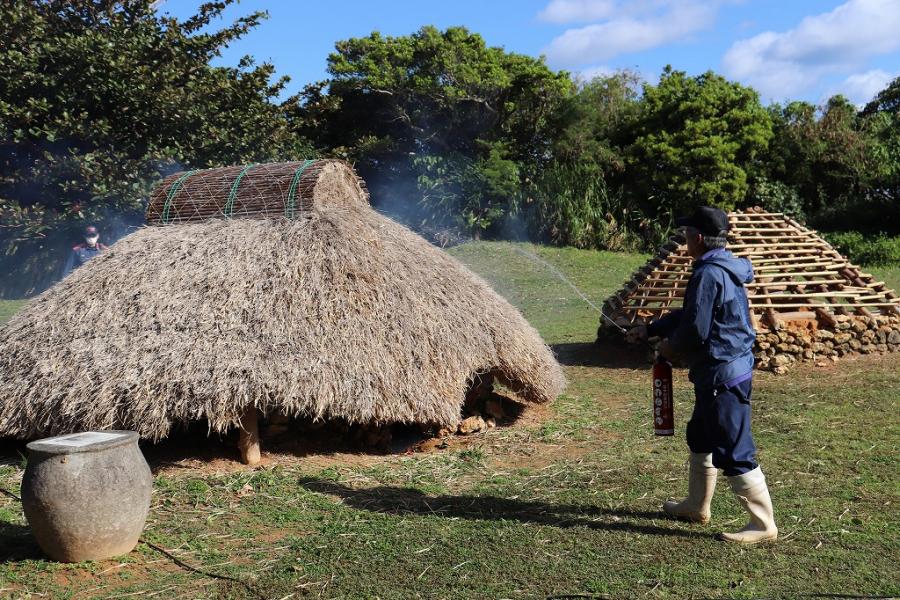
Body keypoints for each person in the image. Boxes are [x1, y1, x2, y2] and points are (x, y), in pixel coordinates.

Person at [626, 206, 777, 544]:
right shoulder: (722, 266)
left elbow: (695, 329)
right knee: (701, 436)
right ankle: (697, 506)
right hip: (717, 371)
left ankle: (763, 524)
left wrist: (667, 347)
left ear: (696, 238)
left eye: (685, 235)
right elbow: (692, 312)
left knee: (735, 448)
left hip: (724, 372)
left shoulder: (709, 273)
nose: (683, 241)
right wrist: (651, 328)